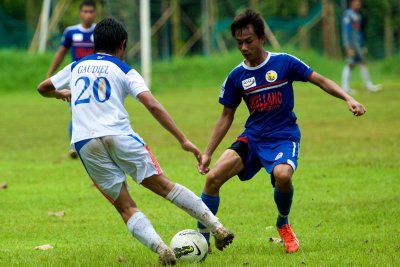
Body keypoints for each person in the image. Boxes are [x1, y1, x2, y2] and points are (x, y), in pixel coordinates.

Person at [37, 18, 234, 265]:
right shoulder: (124, 69)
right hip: (120, 136)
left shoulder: (77, 66)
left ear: (94, 44)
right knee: (166, 187)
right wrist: (182, 140)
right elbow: (151, 104)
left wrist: (62, 92)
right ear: (123, 44)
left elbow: (42, 87)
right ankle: (217, 227)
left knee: (126, 207)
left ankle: (162, 249)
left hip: (86, 142)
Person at [196, 9, 366, 254]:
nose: (243, 47)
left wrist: (348, 98)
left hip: (283, 136)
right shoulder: (237, 76)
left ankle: (283, 223)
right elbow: (226, 116)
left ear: (262, 38)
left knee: (283, 176)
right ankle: (202, 240)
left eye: (249, 41)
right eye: (239, 43)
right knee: (212, 179)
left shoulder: (284, 62)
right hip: (253, 138)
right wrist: (208, 153)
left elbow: (320, 80)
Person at [47, 0, 97, 159]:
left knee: (96, 112)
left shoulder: (99, 31)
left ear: (95, 13)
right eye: (85, 11)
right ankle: (75, 146)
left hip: (97, 78)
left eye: (91, 12)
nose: (88, 15)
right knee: (76, 113)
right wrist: (50, 74)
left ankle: (94, 143)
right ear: (80, 13)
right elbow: (60, 53)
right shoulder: (71, 32)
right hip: (77, 80)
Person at [341, 0, 381, 94]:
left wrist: (362, 44)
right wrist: (347, 45)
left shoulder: (357, 15)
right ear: (352, 3)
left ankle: (347, 87)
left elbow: (359, 32)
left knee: (354, 63)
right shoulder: (348, 15)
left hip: (358, 43)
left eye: (360, 3)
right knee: (356, 63)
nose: (359, 5)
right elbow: (346, 31)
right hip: (352, 44)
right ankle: (368, 86)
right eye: (357, 3)